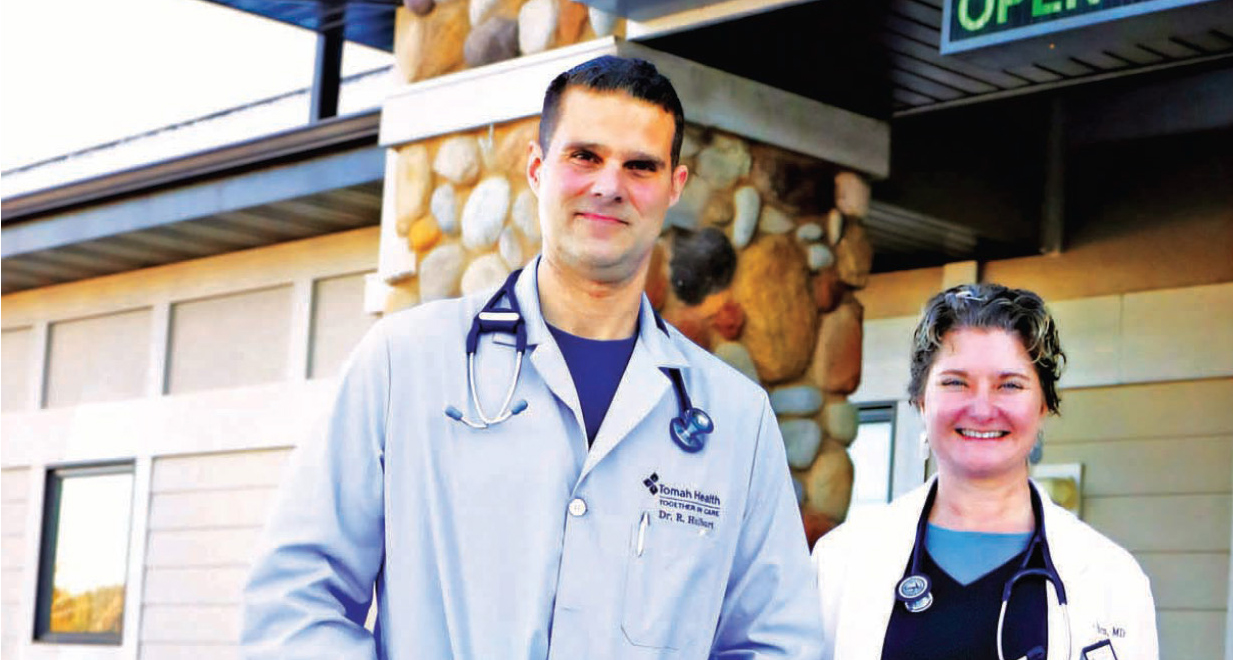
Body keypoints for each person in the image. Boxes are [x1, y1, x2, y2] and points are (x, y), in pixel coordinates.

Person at [241, 56, 823, 659]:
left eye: (640, 166)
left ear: (674, 188)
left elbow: (779, 642)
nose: (609, 186)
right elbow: (293, 603)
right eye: (585, 156)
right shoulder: (404, 365)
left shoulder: (735, 419)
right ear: (538, 168)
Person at [812, 283, 1158, 660]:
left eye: (1009, 385)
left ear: (1044, 406)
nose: (981, 409)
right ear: (921, 400)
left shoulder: (1113, 579)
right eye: (955, 382)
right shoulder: (841, 561)